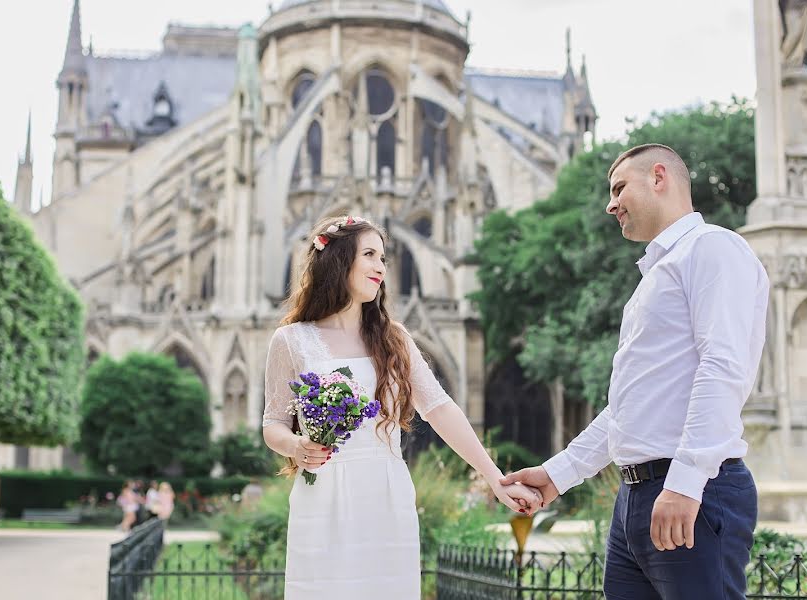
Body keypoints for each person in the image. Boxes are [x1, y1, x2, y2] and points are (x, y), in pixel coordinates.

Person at [501, 144, 770, 599]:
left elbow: (723, 368)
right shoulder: (656, 274)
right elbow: (629, 408)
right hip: (635, 500)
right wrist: (557, 474)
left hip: (692, 491)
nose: (611, 204)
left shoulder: (713, 248)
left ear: (659, 177)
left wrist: (685, 484)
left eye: (619, 188)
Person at [262, 215, 541, 600]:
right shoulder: (291, 340)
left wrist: (494, 478)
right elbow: (273, 423)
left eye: (383, 257)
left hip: (385, 492)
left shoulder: (394, 338)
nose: (381, 267)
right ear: (339, 261)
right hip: (323, 495)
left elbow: (440, 408)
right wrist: (296, 446)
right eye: (370, 255)